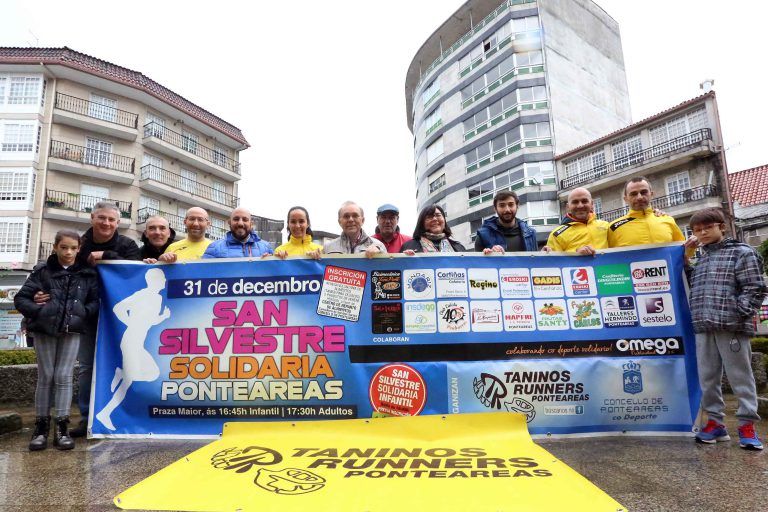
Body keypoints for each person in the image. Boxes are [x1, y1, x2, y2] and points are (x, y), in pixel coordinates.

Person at [56, 202, 140, 437]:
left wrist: (106, 256)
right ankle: (86, 417)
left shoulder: (128, 245)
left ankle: (125, 414)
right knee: (86, 368)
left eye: (112, 220)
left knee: (126, 365)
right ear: (92, 218)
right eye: (102, 218)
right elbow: (58, 270)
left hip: (121, 319)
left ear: (118, 223)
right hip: (88, 317)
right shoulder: (78, 246)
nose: (106, 223)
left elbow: (136, 270)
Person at [689, 208, 767, 450]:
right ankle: (715, 423)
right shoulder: (702, 258)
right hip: (703, 326)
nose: (702, 233)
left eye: (707, 227)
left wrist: (737, 312)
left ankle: (747, 425)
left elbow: (755, 289)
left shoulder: (743, 253)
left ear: (721, 227)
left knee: (741, 377)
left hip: (732, 327)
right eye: (697, 230)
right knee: (708, 378)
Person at [14, 230, 99, 451]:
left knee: (64, 376)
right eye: (64, 247)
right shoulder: (42, 271)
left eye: (73, 247)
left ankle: (62, 427)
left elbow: (96, 301)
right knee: (46, 376)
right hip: (44, 330)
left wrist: (81, 311)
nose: (68, 252)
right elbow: (21, 298)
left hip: (71, 331)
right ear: (55, 247)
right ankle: (41, 427)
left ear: (79, 248)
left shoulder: (87, 274)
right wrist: (39, 311)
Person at [95, 268, 170, 431]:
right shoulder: (143, 294)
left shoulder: (157, 299)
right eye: (162, 278)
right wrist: (130, 323)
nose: (164, 281)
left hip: (138, 342)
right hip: (131, 340)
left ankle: (121, 373)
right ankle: (105, 414)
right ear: (154, 280)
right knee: (128, 383)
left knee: (153, 374)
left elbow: (149, 321)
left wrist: (163, 317)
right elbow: (118, 308)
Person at [607, 177, 696, 254]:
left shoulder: (668, 220)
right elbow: (605, 259)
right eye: (633, 194)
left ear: (651, 194)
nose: (639, 197)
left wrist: (691, 247)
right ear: (625, 199)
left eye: (644, 192)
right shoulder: (614, 227)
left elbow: (683, 254)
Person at [546, 188, 609, 255]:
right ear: (568, 207)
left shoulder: (606, 226)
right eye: (575, 202)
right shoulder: (556, 235)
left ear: (591, 204)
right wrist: (576, 255)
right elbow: (554, 263)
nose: (580, 205)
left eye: (584, 201)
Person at [202, 207, 273, 258]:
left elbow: (275, 274)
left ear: (251, 224)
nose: (240, 223)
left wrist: (279, 260)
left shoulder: (266, 248)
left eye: (245, 220)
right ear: (229, 222)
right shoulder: (214, 248)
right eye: (236, 219)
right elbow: (204, 274)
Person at [401, 204, 467, 253]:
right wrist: (406, 259)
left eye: (438, 215)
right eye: (429, 217)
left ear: (444, 220)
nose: (435, 219)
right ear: (422, 223)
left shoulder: (458, 247)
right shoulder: (409, 247)